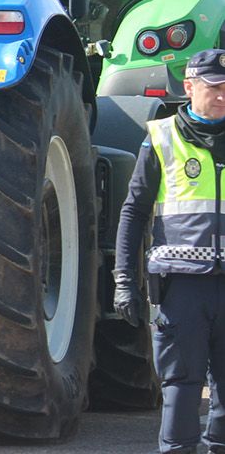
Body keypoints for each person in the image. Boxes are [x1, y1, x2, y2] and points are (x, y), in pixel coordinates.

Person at [115, 48, 225, 454]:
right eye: (213, 87)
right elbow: (133, 214)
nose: (222, 95)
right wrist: (124, 282)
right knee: (181, 386)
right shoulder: (162, 138)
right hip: (182, 287)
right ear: (190, 87)